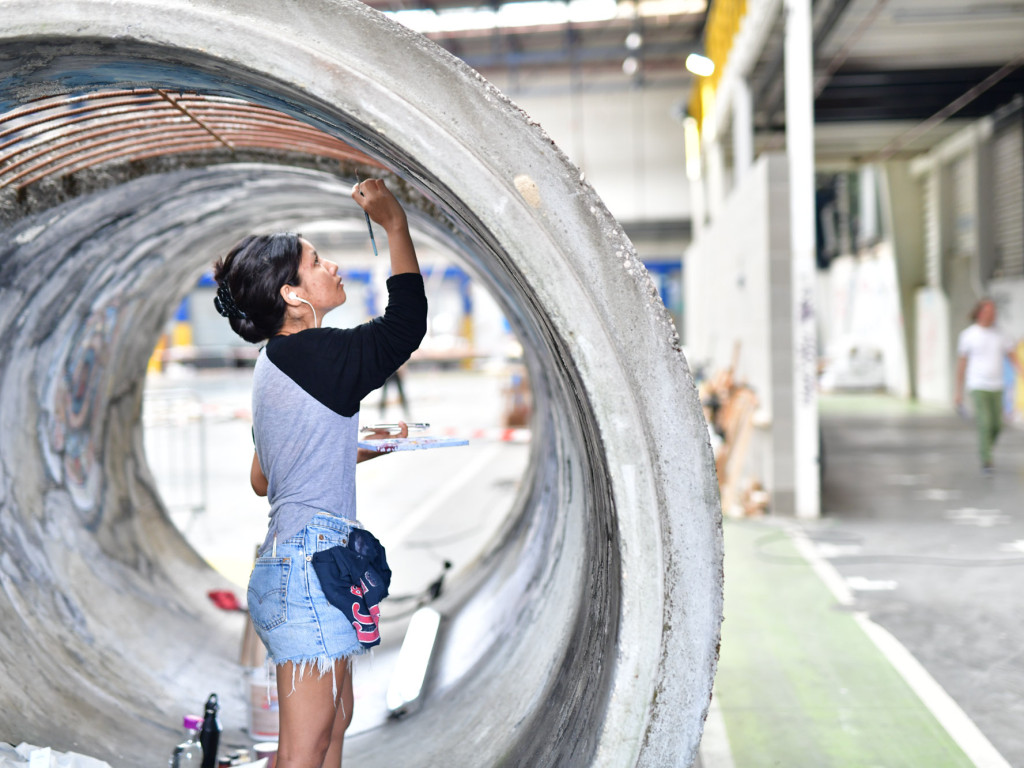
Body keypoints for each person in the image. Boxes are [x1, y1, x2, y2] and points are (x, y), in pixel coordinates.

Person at [212, 178, 426, 767]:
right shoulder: (315, 354)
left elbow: (265, 477)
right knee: (304, 753)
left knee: (330, 735)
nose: (331, 265)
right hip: (309, 572)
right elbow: (406, 326)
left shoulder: (275, 365)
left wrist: (349, 449)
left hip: (300, 564)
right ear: (292, 294)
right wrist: (395, 226)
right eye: (315, 261)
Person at [954, 298, 1023, 474]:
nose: (992, 314)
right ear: (979, 313)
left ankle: (986, 448)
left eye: (994, 311)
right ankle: (986, 458)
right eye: (988, 311)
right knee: (985, 422)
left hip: (997, 385)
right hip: (978, 385)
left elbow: (1011, 356)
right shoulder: (968, 335)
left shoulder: (1001, 334)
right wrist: (958, 391)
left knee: (997, 425)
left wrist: (1021, 371)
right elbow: (962, 364)